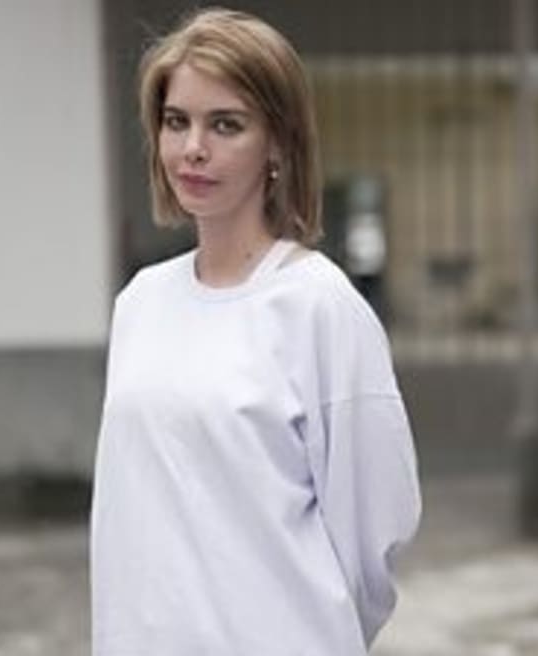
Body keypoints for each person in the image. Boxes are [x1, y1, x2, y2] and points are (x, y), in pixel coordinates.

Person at [90, 8, 421, 655]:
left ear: (278, 141)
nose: (193, 148)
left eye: (226, 124)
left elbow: (371, 530)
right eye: (176, 120)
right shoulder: (141, 305)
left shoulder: (319, 308)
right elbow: (127, 514)